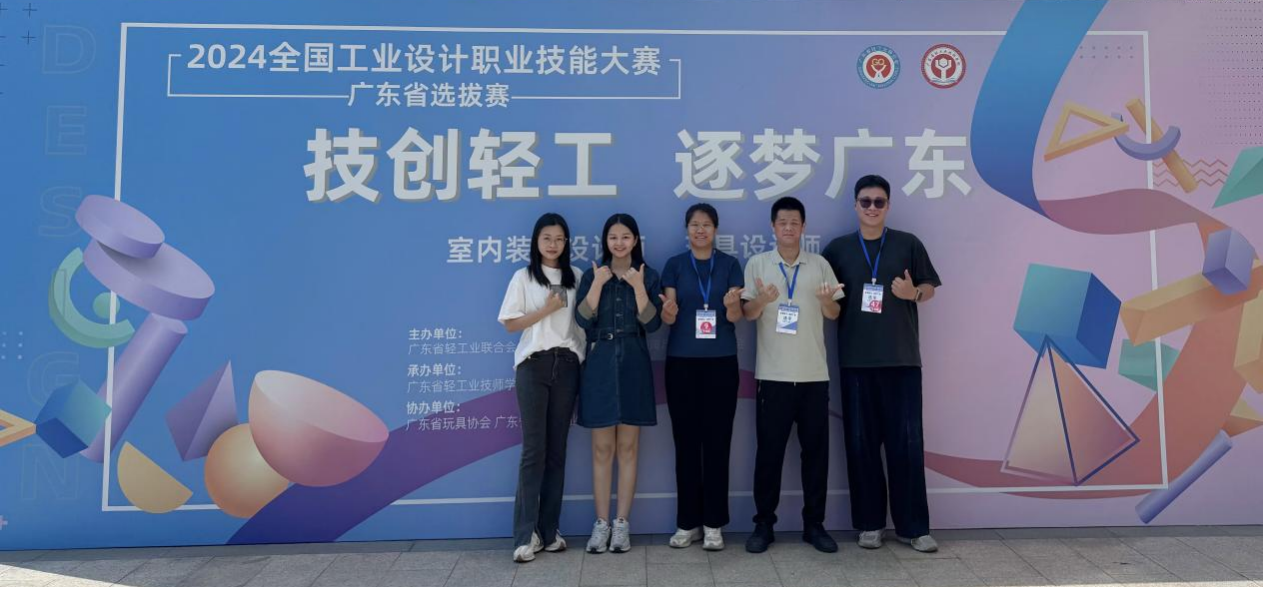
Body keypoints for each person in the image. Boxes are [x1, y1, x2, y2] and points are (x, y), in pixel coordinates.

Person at [822, 174, 942, 553]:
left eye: (878, 202)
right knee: (861, 446)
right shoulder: (837, 250)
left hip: (902, 361)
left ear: (888, 206)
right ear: (855, 205)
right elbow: (829, 302)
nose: (871, 208)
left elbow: (930, 287)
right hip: (856, 362)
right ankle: (870, 524)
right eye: (865, 201)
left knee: (907, 444)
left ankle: (914, 527)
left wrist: (913, 292)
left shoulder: (908, 244)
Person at [741, 196, 845, 554]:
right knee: (769, 454)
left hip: (814, 376)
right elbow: (749, 314)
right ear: (773, 227)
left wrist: (825, 300)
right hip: (773, 376)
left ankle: (814, 524)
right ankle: (763, 525)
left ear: (803, 227)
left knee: (815, 455)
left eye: (794, 222)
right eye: (782, 222)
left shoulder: (820, 265)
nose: (788, 227)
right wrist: (763, 299)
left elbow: (834, 313)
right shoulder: (758, 264)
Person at [498, 213, 587, 563]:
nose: (553, 244)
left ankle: (549, 532)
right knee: (534, 450)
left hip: (567, 365)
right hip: (533, 365)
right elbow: (510, 323)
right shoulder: (523, 277)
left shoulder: (576, 276)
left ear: (567, 243)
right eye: (547, 238)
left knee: (557, 452)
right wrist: (546, 309)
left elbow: (582, 323)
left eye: (559, 238)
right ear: (536, 241)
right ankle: (525, 536)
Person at [575, 213, 663, 554]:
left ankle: (622, 523)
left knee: (628, 448)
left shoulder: (648, 275)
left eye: (626, 236)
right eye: (613, 237)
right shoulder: (592, 274)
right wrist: (598, 283)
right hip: (599, 362)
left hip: (633, 361)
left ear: (635, 240)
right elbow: (582, 319)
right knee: (601, 449)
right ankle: (601, 523)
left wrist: (638, 287)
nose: (619, 243)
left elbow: (652, 324)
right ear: (606, 241)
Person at [660, 203, 745, 551]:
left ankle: (713, 524)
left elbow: (736, 316)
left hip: (721, 363)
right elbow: (668, 318)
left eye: (706, 224)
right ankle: (687, 523)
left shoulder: (730, 265)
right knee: (686, 444)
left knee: (717, 443)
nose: (700, 230)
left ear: (715, 229)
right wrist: (668, 311)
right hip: (681, 363)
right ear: (687, 229)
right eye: (695, 224)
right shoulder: (675, 265)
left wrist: (731, 305)